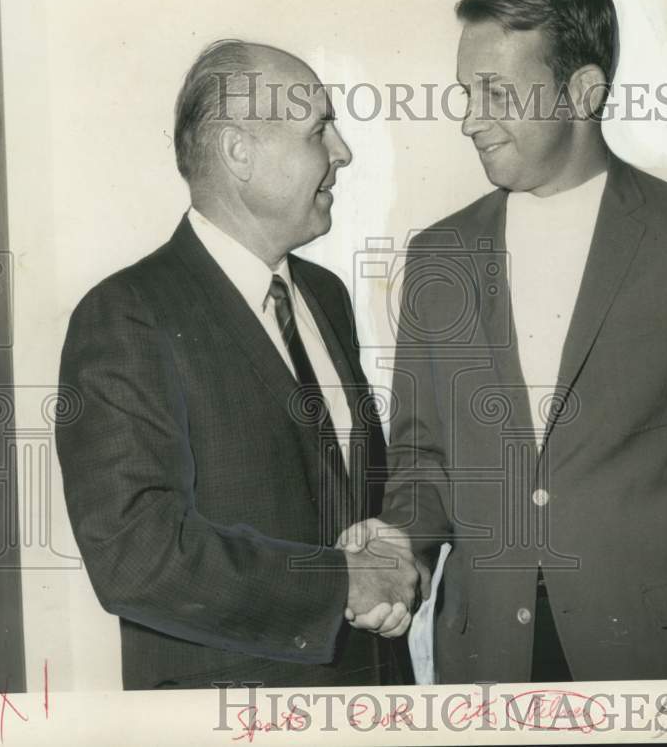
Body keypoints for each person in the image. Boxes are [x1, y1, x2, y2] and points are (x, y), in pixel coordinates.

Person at [345, 0, 667, 682]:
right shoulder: (437, 255)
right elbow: (422, 459)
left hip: (660, 661)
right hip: (486, 659)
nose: (470, 118)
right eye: (467, 92)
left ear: (582, 92)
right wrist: (401, 548)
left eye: (496, 92)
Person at [55, 39, 424, 690]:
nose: (342, 151)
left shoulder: (326, 296)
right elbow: (134, 555)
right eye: (319, 130)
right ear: (238, 153)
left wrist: (391, 550)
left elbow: (352, 493)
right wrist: (340, 580)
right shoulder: (126, 313)